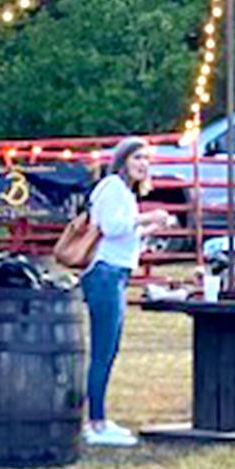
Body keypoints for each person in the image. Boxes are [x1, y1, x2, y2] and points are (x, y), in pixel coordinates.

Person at [81, 138, 172, 447]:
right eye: (137, 157)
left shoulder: (124, 193)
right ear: (123, 160)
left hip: (117, 273)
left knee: (110, 349)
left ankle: (99, 418)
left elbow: (124, 234)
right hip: (104, 274)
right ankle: (94, 423)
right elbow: (111, 226)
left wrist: (147, 231)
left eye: (146, 159)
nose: (143, 164)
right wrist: (149, 216)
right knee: (102, 350)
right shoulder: (111, 187)